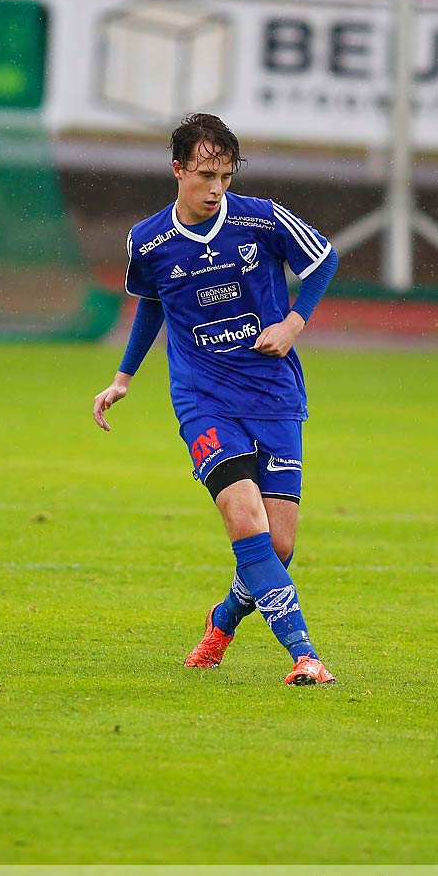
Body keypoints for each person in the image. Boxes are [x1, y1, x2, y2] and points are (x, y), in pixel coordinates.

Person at [91, 113, 340, 686]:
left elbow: (322, 259)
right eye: (204, 174)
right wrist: (124, 378)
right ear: (177, 169)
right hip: (203, 401)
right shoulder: (147, 241)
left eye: (225, 176)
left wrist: (295, 323)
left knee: (278, 545)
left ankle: (222, 621)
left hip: (273, 395)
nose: (215, 188)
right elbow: (153, 301)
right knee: (245, 519)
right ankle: (305, 655)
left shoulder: (261, 219)